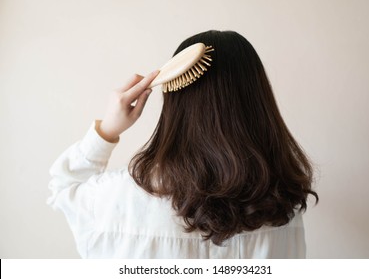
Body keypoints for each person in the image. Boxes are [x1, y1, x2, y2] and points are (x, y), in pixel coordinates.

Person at [48, 30, 318, 258]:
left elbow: (64, 188)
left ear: (175, 106)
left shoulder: (118, 200)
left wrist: (107, 130)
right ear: (258, 103)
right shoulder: (283, 209)